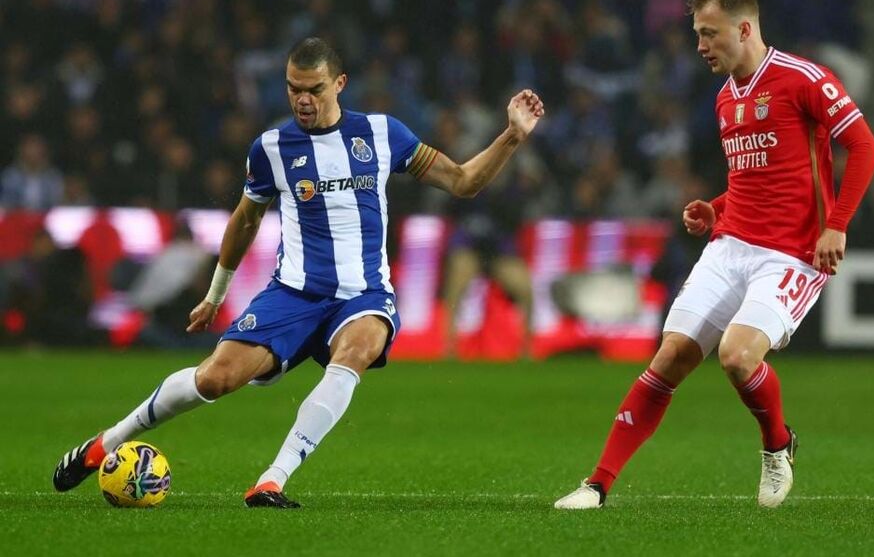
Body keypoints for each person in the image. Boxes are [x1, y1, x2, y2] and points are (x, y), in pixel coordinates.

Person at [51, 37, 545, 508]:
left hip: (363, 294)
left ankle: (272, 478)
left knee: (358, 348)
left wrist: (511, 137)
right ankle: (106, 442)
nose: (302, 100)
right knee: (216, 379)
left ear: (340, 84)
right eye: (293, 88)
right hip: (293, 294)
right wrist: (215, 294)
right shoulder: (270, 148)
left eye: (313, 89)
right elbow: (246, 219)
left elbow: (462, 182)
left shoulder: (381, 134)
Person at [555, 0, 874, 510]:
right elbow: (755, 179)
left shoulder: (804, 79)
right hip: (731, 245)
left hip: (791, 253)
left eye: (709, 33)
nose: (701, 45)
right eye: (697, 34)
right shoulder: (726, 97)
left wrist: (837, 224)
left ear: (744, 28)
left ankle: (777, 444)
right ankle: (598, 485)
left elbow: (865, 148)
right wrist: (716, 207)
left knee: (735, 356)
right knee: (670, 357)